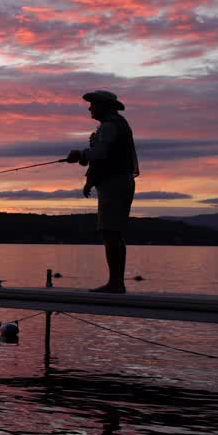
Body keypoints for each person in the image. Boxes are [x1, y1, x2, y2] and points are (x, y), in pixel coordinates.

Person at [66, 90, 139, 293]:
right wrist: (90, 179)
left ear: (103, 106)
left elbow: (100, 153)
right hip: (117, 183)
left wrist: (80, 154)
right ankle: (116, 282)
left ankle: (115, 283)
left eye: (93, 104)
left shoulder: (109, 126)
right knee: (113, 232)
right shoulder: (115, 125)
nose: (90, 108)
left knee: (111, 232)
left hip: (115, 184)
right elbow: (102, 157)